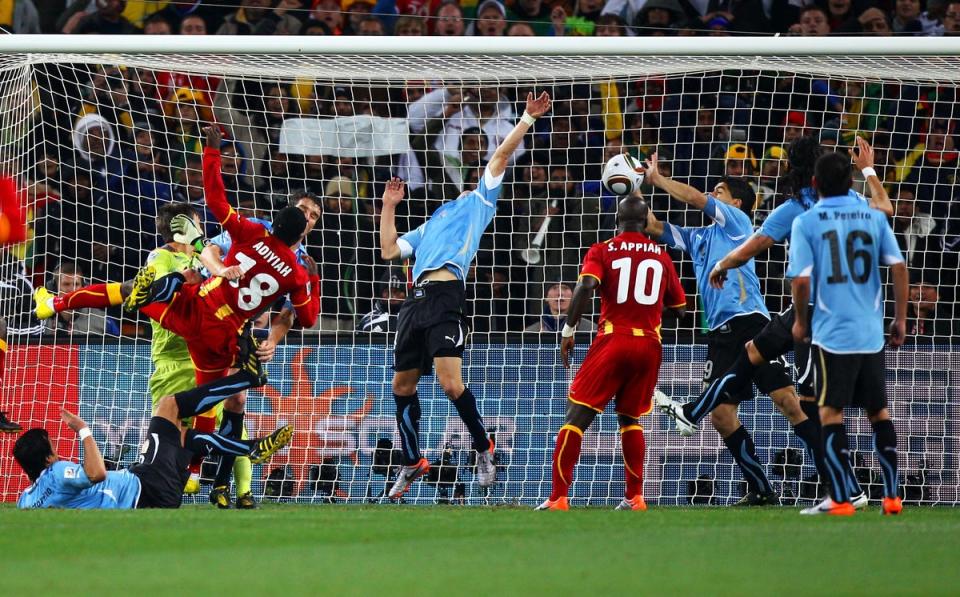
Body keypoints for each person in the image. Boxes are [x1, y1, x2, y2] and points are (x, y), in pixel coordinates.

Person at [660, 136, 892, 508]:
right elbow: (886, 208)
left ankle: (846, 490)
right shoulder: (852, 202)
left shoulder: (791, 209)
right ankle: (842, 489)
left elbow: (756, 247)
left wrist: (723, 265)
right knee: (779, 381)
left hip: (807, 310)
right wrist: (868, 168)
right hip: (855, 311)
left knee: (803, 401)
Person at [379, 91, 552, 498]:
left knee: (449, 383)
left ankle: (483, 446)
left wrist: (525, 119)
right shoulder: (432, 220)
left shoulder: (479, 202)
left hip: (446, 296)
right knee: (402, 386)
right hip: (414, 302)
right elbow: (389, 250)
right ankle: (412, 461)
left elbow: (500, 158)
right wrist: (389, 205)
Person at [644, 154, 823, 506]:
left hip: (750, 321)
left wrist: (660, 180)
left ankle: (835, 478)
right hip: (719, 332)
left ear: (736, 202)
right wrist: (633, 183)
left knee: (788, 402)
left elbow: (696, 198)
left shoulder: (738, 222)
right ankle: (760, 488)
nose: (713, 192)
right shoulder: (698, 238)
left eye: (721, 190)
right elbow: (652, 226)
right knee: (723, 417)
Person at [536, 195, 686, 511]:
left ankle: (558, 498)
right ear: (646, 224)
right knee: (630, 419)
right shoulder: (661, 256)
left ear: (616, 222)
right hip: (648, 344)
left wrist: (568, 329)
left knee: (575, 418)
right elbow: (681, 308)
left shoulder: (603, 250)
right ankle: (635, 498)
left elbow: (586, 286)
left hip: (613, 339)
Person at [788, 150, 907, 516]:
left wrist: (801, 321)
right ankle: (892, 497)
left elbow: (802, 279)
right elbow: (899, 267)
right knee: (879, 413)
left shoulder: (807, 222)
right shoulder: (873, 217)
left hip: (832, 333)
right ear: (851, 182)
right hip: (871, 332)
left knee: (830, 414)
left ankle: (841, 499)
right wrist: (900, 319)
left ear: (814, 183)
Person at [14, 366, 293, 510]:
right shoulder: (57, 471)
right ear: (49, 458)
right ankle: (246, 378)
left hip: (153, 489)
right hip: (146, 485)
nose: (60, 456)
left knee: (182, 435)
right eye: (54, 450)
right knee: (169, 405)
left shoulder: (27, 499)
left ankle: (249, 448)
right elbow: (97, 473)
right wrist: (83, 430)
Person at [41, 262, 114, 335]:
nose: (72, 290)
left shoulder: (101, 319)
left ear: (83, 287)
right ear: (54, 288)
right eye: (66, 284)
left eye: (76, 284)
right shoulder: (42, 319)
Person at [524, 283, 595, 333]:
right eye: (554, 288)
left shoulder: (591, 329)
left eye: (565, 288)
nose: (560, 293)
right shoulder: (530, 332)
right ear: (546, 297)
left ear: (573, 296)